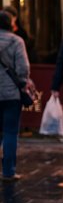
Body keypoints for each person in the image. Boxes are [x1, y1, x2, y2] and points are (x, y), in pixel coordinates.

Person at [0, 12, 30, 182]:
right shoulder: (16, 41)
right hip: (11, 94)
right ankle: (8, 171)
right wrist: (24, 82)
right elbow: (23, 68)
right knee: (10, 132)